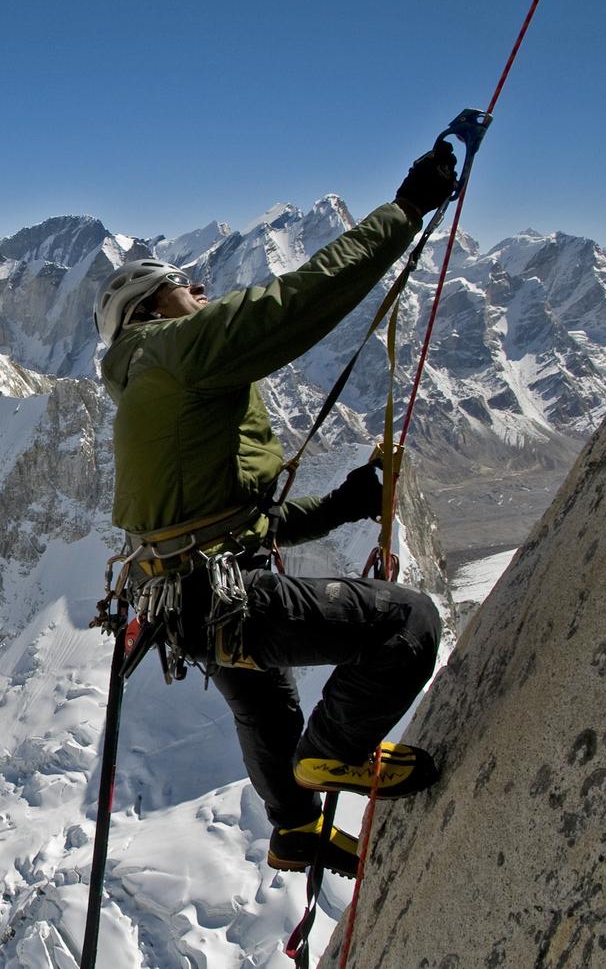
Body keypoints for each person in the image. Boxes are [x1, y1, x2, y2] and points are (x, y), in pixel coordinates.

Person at [94, 144, 457, 877]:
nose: (200, 289)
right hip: (220, 593)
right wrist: (405, 213)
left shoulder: (149, 385)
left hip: (187, 597)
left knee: (263, 704)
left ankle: (294, 829)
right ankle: (333, 759)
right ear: (148, 308)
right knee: (408, 624)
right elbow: (289, 307)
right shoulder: (171, 350)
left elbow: (234, 526)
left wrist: (344, 505)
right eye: (183, 286)